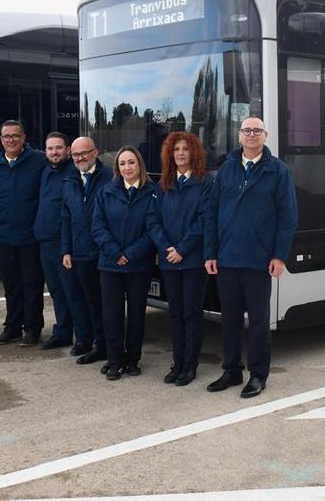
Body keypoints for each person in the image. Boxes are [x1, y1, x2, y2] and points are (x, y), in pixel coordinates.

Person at [204, 117, 297, 398]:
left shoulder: (278, 171)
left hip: (259, 259)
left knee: (258, 322)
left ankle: (258, 375)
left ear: (265, 135)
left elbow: (288, 217)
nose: (252, 134)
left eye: (257, 130)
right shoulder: (227, 169)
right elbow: (212, 213)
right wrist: (210, 252)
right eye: (247, 130)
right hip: (227, 258)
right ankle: (231, 370)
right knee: (230, 320)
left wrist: (279, 256)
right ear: (239, 136)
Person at [148, 131, 213, 386]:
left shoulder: (204, 183)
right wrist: (167, 248)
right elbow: (153, 220)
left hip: (193, 260)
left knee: (191, 313)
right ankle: (178, 362)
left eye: (185, 149)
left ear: (193, 152)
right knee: (175, 313)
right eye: (176, 149)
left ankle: (190, 365)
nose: (181, 153)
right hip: (169, 260)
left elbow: (204, 219)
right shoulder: (163, 184)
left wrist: (182, 249)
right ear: (170, 154)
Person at [92, 146, 159, 380]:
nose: (127, 167)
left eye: (131, 162)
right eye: (122, 163)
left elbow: (153, 229)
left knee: (137, 315)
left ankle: (133, 359)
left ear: (140, 164)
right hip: (110, 265)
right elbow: (97, 227)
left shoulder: (153, 192)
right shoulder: (106, 191)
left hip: (138, 265)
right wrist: (114, 252)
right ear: (117, 168)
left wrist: (130, 253)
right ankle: (115, 360)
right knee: (112, 315)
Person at [0, 120, 47, 347]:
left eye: (15, 136)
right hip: (3, 236)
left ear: (23, 138)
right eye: (6, 136)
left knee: (32, 285)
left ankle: (32, 329)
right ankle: (12, 327)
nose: (10, 140)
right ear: (1, 140)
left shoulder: (39, 160)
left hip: (30, 236)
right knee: (11, 286)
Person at [61, 136, 113, 363]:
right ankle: (94, 343)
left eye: (84, 153)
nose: (80, 158)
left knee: (105, 304)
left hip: (104, 252)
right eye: (75, 154)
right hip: (80, 252)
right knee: (89, 302)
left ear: (95, 152)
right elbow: (65, 218)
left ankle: (107, 347)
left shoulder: (110, 177)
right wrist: (66, 250)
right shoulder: (69, 180)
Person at [34, 131, 81, 351]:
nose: (54, 152)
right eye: (50, 148)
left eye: (59, 148)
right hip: (45, 241)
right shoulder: (46, 172)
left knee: (72, 292)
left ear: (68, 150)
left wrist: (67, 246)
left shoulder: (74, 173)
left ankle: (83, 337)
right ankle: (62, 333)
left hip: (64, 244)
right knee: (56, 292)